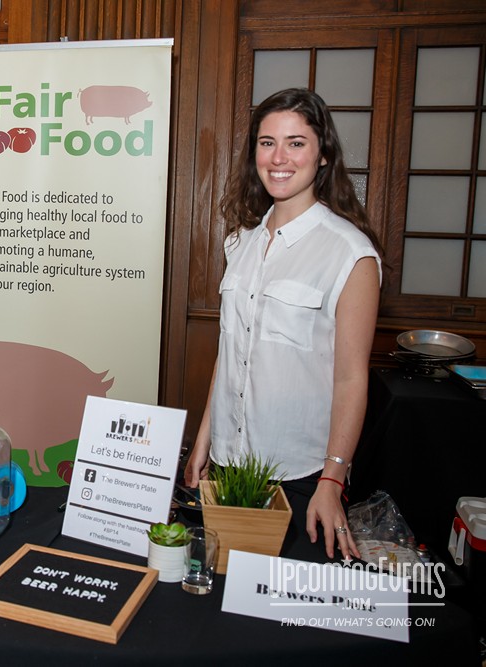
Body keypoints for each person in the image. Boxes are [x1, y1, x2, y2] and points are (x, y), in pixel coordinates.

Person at [183, 88, 382, 561]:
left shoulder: (349, 252)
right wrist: (204, 442)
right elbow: (231, 353)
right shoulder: (240, 243)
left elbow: (353, 377)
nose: (279, 157)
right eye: (267, 142)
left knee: (279, 613)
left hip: (300, 475)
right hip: (230, 463)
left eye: (296, 143)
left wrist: (332, 480)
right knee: (222, 600)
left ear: (324, 154)